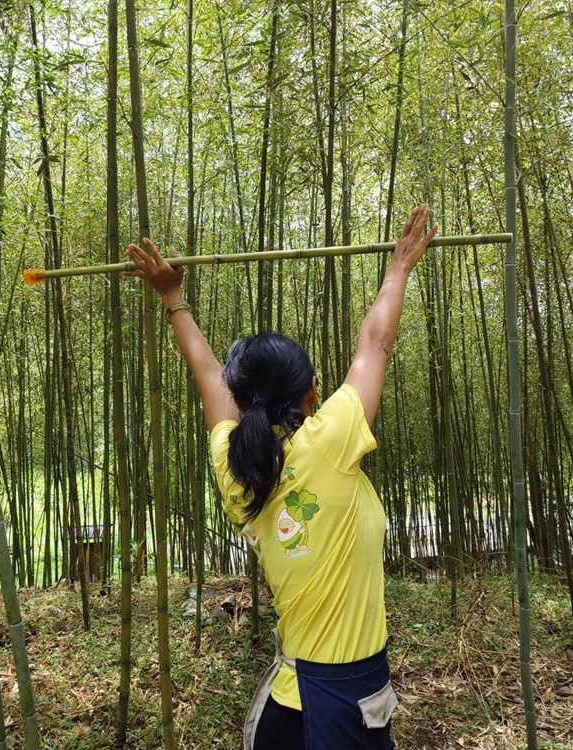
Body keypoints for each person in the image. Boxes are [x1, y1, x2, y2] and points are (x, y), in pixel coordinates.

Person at [125, 205, 438, 750]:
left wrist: (173, 299)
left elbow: (206, 375)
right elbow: (375, 344)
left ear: (241, 398)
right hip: (345, 699)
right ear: (313, 390)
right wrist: (398, 270)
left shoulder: (233, 462)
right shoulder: (332, 443)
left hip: (288, 701)